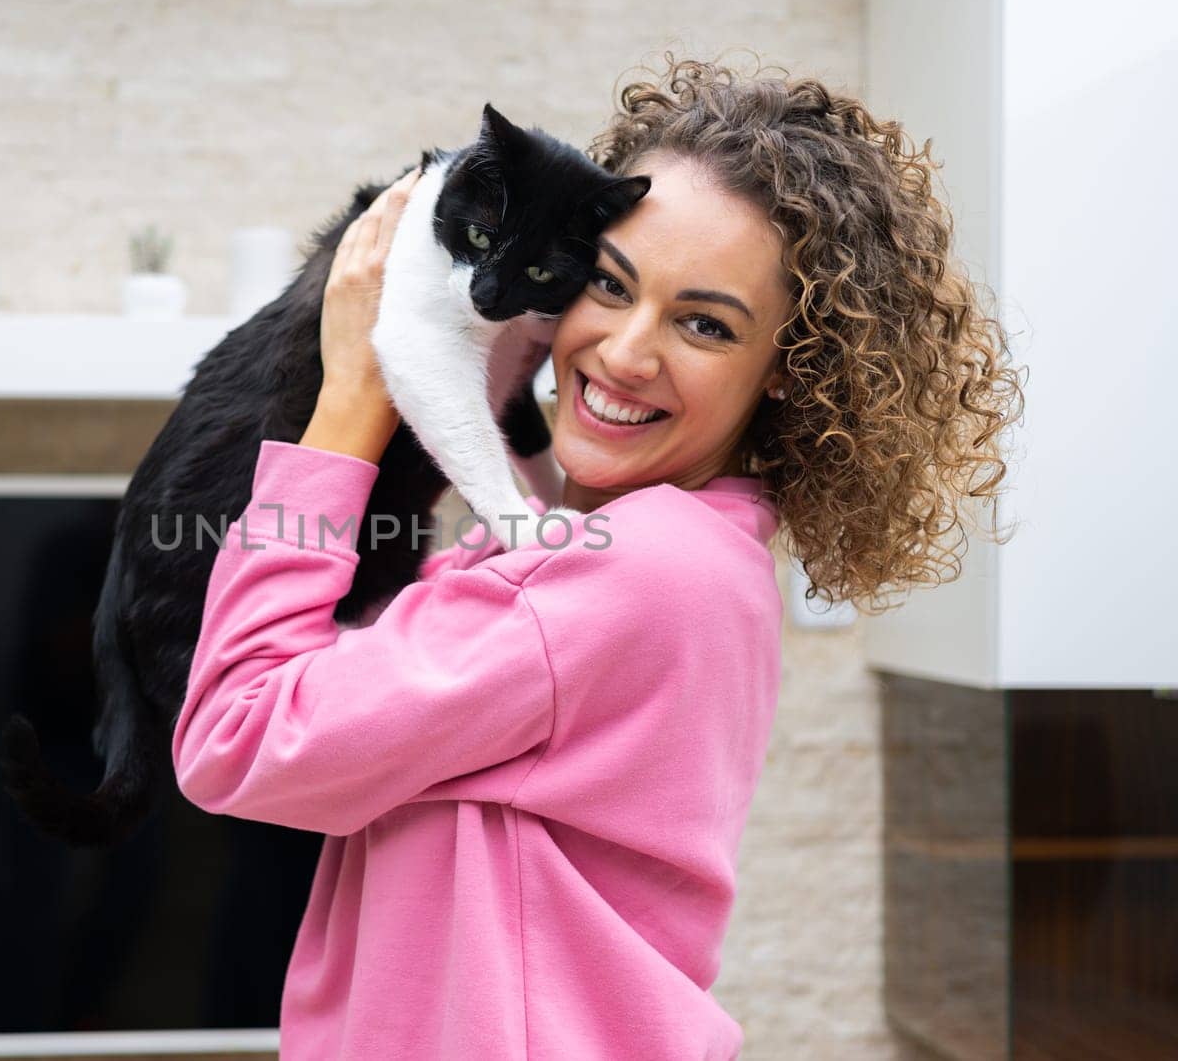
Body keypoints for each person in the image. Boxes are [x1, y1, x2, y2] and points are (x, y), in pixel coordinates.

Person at [171, 55, 1024, 1060]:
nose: (622, 352)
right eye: (609, 285)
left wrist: (353, 398)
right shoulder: (677, 549)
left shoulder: (626, 570)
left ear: (789, 368)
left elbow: (235, 733)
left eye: (703, 323)